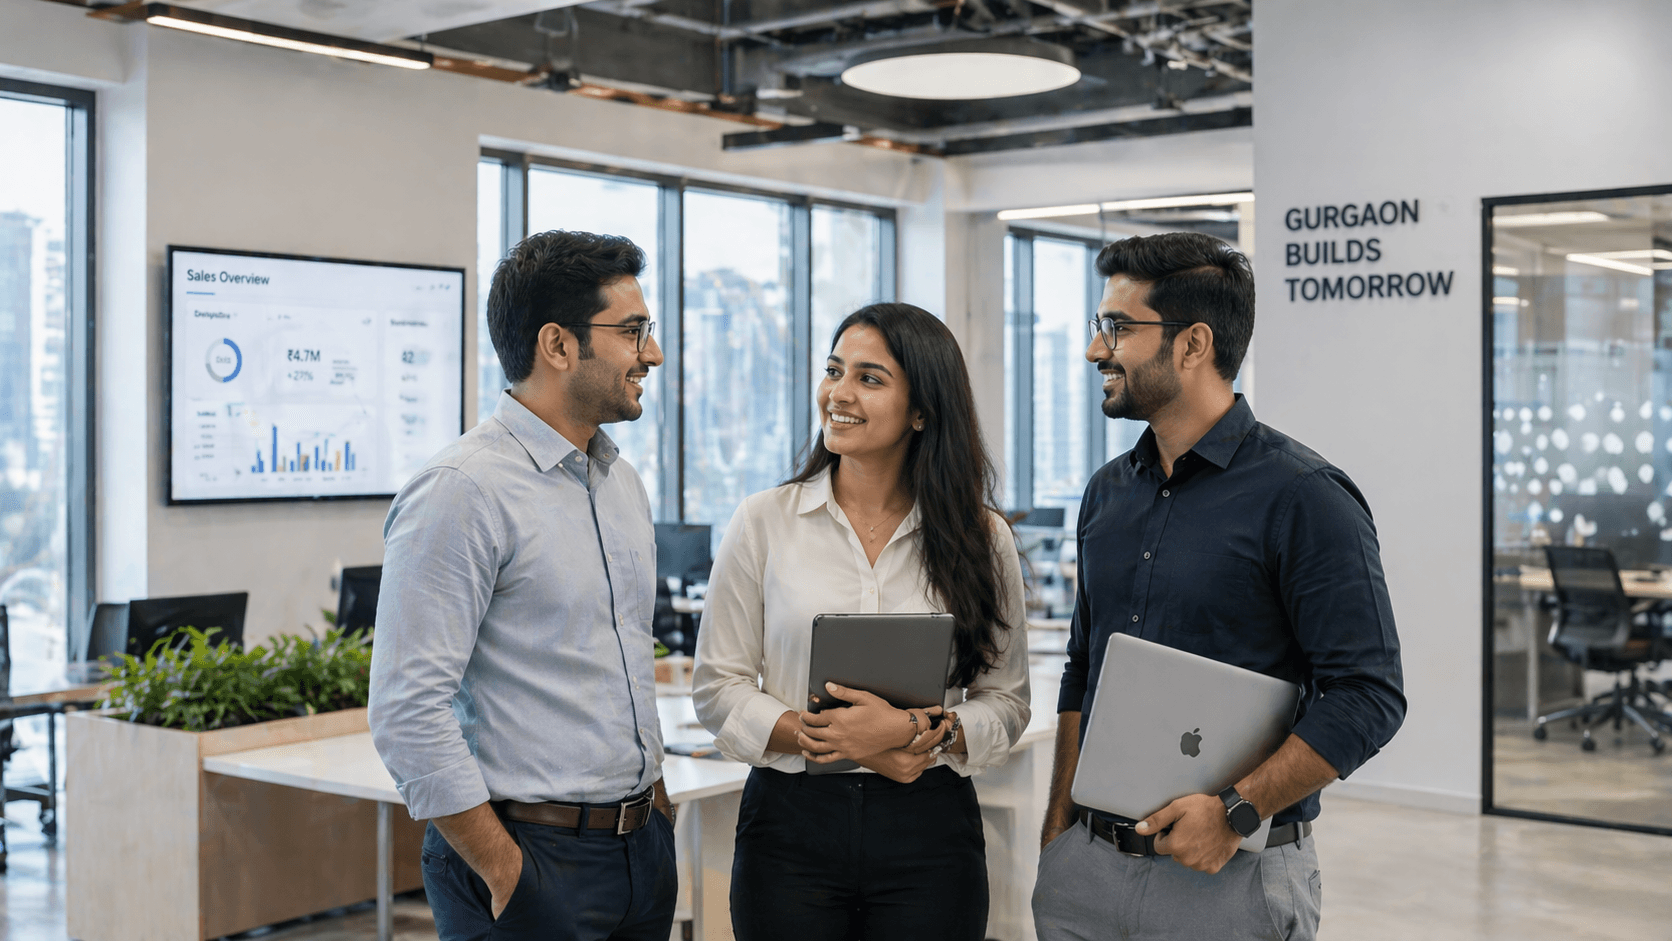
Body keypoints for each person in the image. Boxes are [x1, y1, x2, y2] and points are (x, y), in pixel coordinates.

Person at [1032, 233, 1407, 941]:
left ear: (1193, 344)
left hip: (1228, 879)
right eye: (1097, 326)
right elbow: (1085, 668)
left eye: (1117, 327)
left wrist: (1237, 810)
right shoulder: (1107, 493)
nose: (1094, 351)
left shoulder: (1305, 497)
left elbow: (1369, 693)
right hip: (1087, 870)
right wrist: (1058, 826)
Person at [368, 230, 677, 941]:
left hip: (638, 852)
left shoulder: (619, 481)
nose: (651, 354)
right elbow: (407, 709)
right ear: (558, 345)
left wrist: (653, 807)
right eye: (633, 332)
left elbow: (620, 660)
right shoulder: (462, 491)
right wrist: (503, 867)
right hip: (527, 860)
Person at [692, 302, 1031, 941]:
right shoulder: (763, 521)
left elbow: (1006, 703)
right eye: (833, 370)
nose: (838, 394)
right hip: (790, 828)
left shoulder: (981, 538)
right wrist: (824, 738)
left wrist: (914, 734)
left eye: (870, 378)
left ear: (923, 409)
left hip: (929, 831)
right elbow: (719, 687)